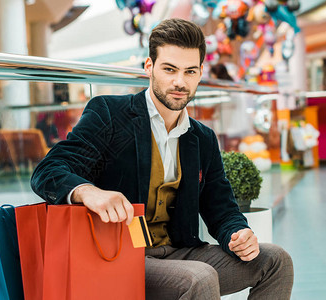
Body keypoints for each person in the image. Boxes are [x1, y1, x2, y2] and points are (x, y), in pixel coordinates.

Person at [31, 18, 293, 299]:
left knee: (276, 261)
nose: (180, 82)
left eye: (189, 71)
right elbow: (48, 170)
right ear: (149, 66)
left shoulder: (202, 138)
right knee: (199, 279)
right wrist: (88, 192)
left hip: (181, 252)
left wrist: (239, 233)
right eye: (169, 69)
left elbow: (221, 209)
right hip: (121, 255)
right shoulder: (110, 114)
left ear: (200, 73)